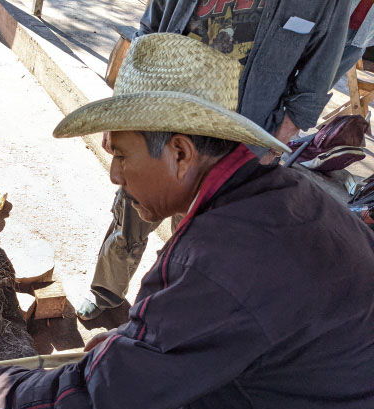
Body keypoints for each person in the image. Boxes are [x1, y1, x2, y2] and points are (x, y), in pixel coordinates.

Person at [0, 34, 374, 409]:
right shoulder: (289, 194)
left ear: (181, 153)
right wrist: (147, 342)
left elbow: (91, 400)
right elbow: (250, 325)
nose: (114, 175)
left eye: (122, 155)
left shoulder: (214, 261)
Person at [77, 0, 350, 321]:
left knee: (201, 243)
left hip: (240, 140)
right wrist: (121, 110)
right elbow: (148, 32)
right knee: (131, 215)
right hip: (160, 117)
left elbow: (316, 78)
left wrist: (276, 142)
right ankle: (107, 293)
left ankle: (160, 320)